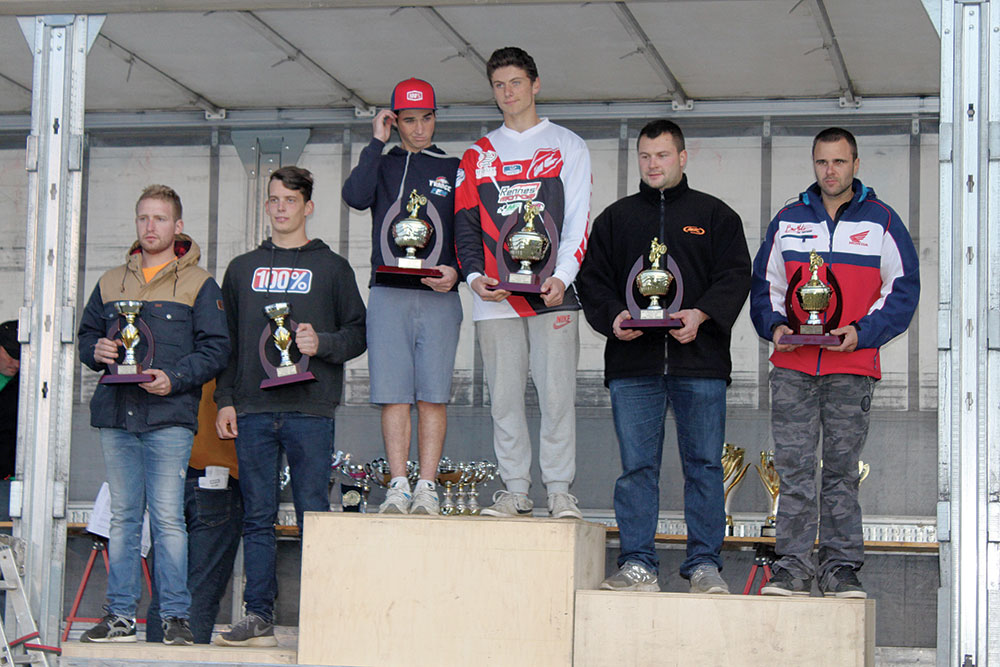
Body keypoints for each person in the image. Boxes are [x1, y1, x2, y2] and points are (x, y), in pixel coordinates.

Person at [577, 119, 751, 594]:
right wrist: (613, 317)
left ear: (682, 157)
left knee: (705, 466)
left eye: (663, 155)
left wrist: (704, 314)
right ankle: (637, 563)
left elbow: (736, 275)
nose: (654, 164)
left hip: (701, 362)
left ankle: (704, 566)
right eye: (646, 156)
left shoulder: (716, 216)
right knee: (636, 470)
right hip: (634, 367)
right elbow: (591, 280)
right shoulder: (615, 219)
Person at [750, 127, 919, 598]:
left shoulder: (882, 221)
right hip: (793, 366)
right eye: (822, 162)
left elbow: (902, 290)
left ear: (856, 164)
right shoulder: (787, 219)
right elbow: (765, 287)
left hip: (852, 367)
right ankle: (793, 567)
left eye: (839, 162)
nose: (830, 171)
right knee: (794, 469)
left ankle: (841, 568)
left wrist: (863, 333)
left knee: (842, 470)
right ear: (814, 165)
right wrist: (776, 326)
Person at [213, 166, 366, 646]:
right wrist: (224, 400)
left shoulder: (334, 268)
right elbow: (228, 344)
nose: (280, 208)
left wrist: (322, 342)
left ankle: (318, 616)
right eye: (274, 200)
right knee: (256, 516)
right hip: (253, 409)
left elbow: (359, 333)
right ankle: (257, 615)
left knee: (312, 515)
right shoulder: (240, 268)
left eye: (290, 201)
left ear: (308, 207)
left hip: (310, 408)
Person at [77, 185, 230, 644]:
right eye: (144, 218)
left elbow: (217, 349)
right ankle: (120, 617)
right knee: (124, 518)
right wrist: (95, 349)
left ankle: (175, 618)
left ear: (177, 226)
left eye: (160, 219)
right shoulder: (109, 281)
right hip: (117, 416)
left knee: (167, 518)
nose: (150, 227)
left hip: (169, 415)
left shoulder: (200, 283)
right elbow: (85, 336)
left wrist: (176, 378)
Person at [454, 46, 591, 519]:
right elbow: (465, 225)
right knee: (504, 400)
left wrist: (563, 277)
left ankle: (558, 490)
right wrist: (473, 278)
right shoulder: (477, 155)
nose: (508, 92)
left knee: (557, 399)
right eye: (498, 85)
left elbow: (577, 222)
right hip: (496, 298)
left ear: (535, 84)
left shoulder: (567, 145)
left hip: (552, 296)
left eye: (515, 82)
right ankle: (515, 489)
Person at [342, 78, 462, 515]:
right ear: (395, 121)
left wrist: (460, 272)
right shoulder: (383, 163)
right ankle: (397, 484)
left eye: (426, 118)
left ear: (435, 118)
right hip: (389, 292)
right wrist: (376, 143)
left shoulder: (454, 166)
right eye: (408, 120)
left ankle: (427, 485)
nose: (418, 129)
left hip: (438, 294)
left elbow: (469, 230)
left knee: (433, 393)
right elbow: (354, 197)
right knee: (394, 393)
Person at [146, 379, 242, 644]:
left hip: (169, 476)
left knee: (166, 590)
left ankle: (155, 660)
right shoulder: (226, 363)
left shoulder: (173, 361)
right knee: (201, 590)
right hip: (218, 476)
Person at [0, 320, 21, 482]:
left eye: (22, 358)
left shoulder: (27, 386)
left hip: (11, 476)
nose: (17, 364)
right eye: (12, 356)